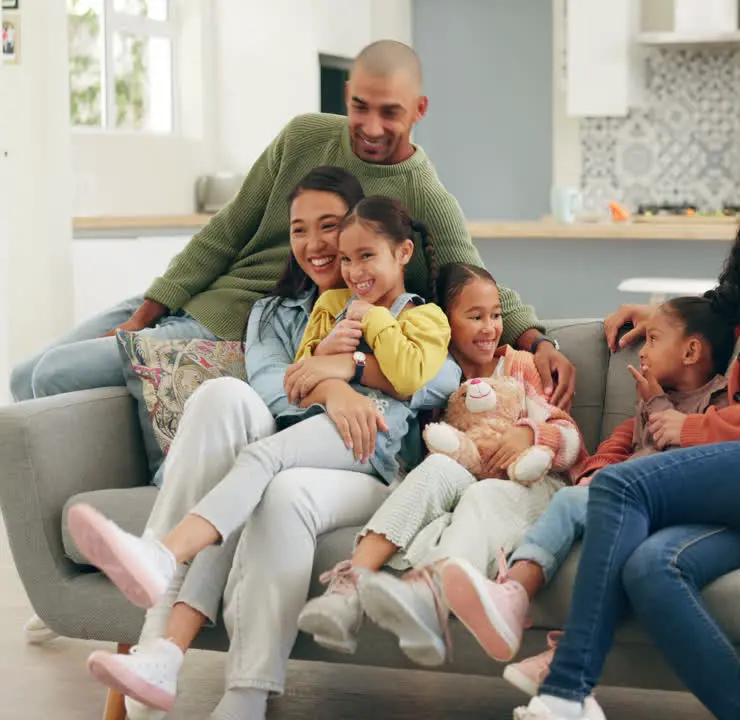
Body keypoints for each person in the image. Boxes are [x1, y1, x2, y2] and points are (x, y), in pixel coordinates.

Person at [9, 39, 574, 470]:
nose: (371, 127)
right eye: (360, 106)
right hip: (199, 296)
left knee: (53, 375)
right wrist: (143, 315)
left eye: (390, 112)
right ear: (346, 96)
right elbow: (227, 230)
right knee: (23, 376)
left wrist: (538, 339)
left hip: (242, 328)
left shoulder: (422, 193)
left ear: (418, 110)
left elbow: (472, 279)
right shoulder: (303, 136)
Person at [72, 167, 461, 720]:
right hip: (307, 451)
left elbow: (434, 378)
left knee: (267, 475)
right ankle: (181, 662)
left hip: (375, 460)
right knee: (252, 451)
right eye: (300, 229)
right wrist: (331, 386)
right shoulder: (281, 313)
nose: (320, 246)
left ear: (383, 244)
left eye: (333, 228)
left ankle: (164, 565)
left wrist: (346, 364)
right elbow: (278, 389)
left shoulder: (414, 312)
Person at [512, 169, 740, 720]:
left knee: (621, 485)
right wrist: (656, 318)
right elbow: (702, 319)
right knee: (653, 568)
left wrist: (696, 430)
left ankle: (567, 689)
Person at [434, 294, 734, 695]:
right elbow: (618, 447)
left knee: (570, 503)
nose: (643, 350)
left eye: (655, 339)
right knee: (578, 511)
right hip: (629, 500)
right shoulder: (653, 399)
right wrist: (596, 473)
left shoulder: (717, 402)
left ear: (692, 350)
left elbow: (685, 460)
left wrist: (654, 405)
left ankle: (515, 594)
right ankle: (558, 653)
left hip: (668, 504)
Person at [297, 263, 586, 662]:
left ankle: (427, 592)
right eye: (475, 316)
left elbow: (571, 439)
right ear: (447, 323)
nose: (490, 327)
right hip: (466, 473)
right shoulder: (437, 374)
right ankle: (347, 589)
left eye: (496, 315)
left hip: (534, 481)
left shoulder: (519, 365)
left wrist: (532, 434)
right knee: (436, 470)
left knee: (483, 495)